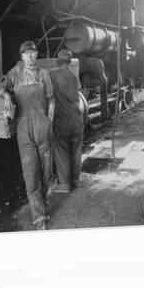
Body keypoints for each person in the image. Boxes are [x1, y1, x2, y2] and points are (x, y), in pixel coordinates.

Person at [0, 41, 55, 230]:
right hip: (24, 129)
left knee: (46, 174)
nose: (30, 56)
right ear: (22, 56)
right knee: (31, 175)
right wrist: (7, 96)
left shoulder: (44, 75)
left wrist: (49, 122)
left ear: (36, 55)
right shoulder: (15, 73)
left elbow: (51, 99)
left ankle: (44, 205)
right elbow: (2, 88)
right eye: (27, 53)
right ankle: (39, 217)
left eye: (33, 53)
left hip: (43, 127)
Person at [50, 49, 84, 193]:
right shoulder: (74, 77)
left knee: (61, 150)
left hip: (62, 120)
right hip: (77, 119)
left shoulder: (52, 75)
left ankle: (64, 184)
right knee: (76, 150)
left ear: (58, 62)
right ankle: (75, 180)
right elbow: (79, 90)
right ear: (70, 62)